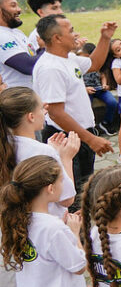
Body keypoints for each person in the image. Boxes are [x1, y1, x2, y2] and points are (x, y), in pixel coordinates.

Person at [33, 15, 116, 194]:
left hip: (80, 134)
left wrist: (105, 37)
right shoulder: (50, 68)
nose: (75, 34)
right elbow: (55, 113)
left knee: (85, 189)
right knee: (74, 194)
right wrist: (91, 139)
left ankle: (84, 220)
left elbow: (94, 64)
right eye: (71, 31)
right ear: (57, 38)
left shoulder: (68, 58)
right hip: (66, 138)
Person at [0, 156, 88, 287]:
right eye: (61, 180)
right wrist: (74, 232)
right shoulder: (54, 228)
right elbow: (79, 266)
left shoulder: (13, 219)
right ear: (50, 188)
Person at [0, 86, 80, 216]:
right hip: (47, 224)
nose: (45, 110)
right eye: (41, 108)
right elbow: (66, 199)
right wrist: (66, 158)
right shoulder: (42, 152)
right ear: (31, 117)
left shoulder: (6, 145)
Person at [0, 0, 39, 89]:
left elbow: (34, 56)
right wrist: (53, 49)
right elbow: (28, 66)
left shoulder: (17, 32)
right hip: (19, 101)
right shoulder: (1, 35)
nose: (19, 9)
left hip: (33, 97)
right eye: (13, 6)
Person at [79, 43, 118, 136]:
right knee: (86, 106)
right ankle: (90, 127)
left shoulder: (96, 62)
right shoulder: (79, 63)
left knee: (112, 102)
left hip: (99, 89)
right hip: (86, 91)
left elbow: (103, 75)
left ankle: (105, 123)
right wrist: (85, 89)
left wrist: (104, 85)